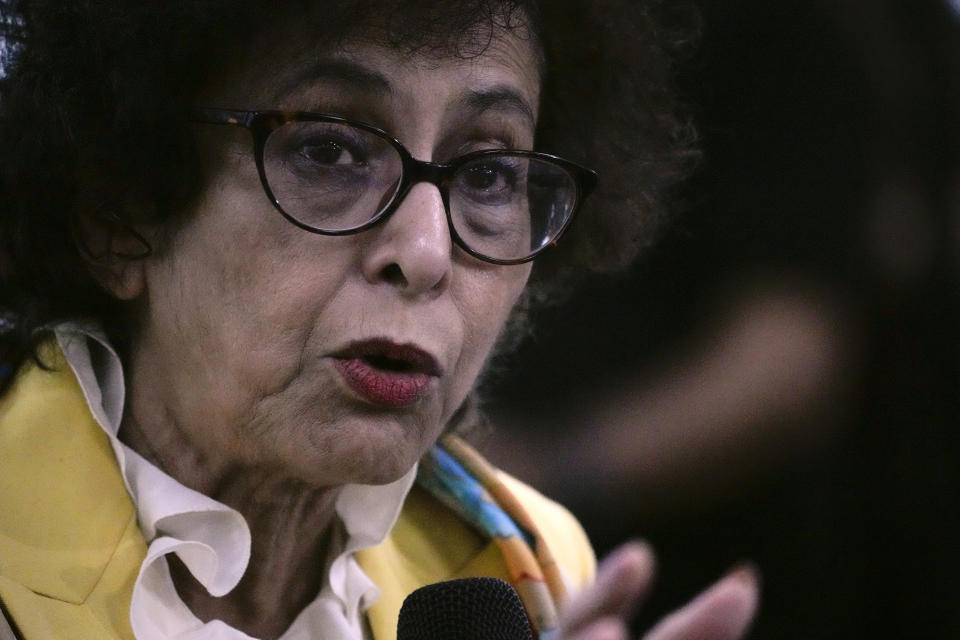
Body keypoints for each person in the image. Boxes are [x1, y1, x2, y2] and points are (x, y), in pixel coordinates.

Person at [0, 1, 758, 639]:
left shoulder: (531, 568)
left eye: (488, 173)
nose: (426, 253)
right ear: (120, 210)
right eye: (330, 150)